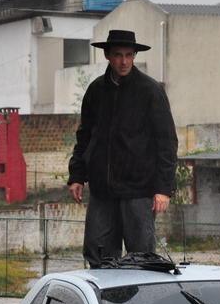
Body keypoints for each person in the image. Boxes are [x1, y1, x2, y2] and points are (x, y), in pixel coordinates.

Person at [67, 29, 178, 268]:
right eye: (118, 55)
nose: (124, 61)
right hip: (102, 191)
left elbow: (167, 142)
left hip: (138, 190)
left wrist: (163, 189)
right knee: (98, 254)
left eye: (129, 55)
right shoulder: (96, 91)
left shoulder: (150, 91)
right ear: (107, 55)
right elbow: (85, 136)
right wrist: (77, 175)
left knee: (142, 259)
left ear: (135, 56)